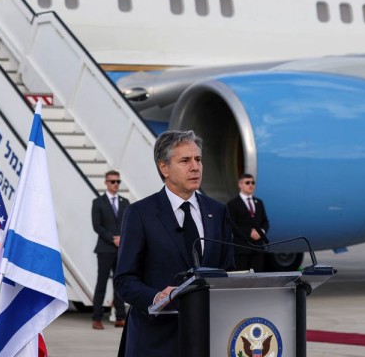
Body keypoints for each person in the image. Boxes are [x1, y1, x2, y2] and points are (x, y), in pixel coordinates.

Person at [114, 130, 234, 357]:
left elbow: (229, 271)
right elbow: (124, 280)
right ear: (164, 168)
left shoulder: (217, 212)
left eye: (198, 159)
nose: (195, 167)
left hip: (208, 338)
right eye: (185, 161)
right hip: (156, 340)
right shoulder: (141, 213)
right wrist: (156, 297)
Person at [91, 170, 129, 330]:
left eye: (117, 182)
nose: (115, 184)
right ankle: (97, 318)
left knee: (119, 282)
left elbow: (129, 223)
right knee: (101, 283)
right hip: (105, 249)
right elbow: (97, 226)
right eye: (112, 181)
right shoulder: (98, 202)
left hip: (121, 249)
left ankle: (120, 317)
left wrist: (122, 237)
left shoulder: (125, 202)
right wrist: (112, 238)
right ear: (106, 183)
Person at [227, 173, 270, 272]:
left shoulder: (259, 202)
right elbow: (232, 225)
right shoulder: (232, 204)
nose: (251, 185)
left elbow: (265, 221)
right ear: (240, 184)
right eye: (247, 182)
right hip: (242, 249)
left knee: (258, 277)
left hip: (258, 249)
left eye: (253, 183)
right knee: (242, 278)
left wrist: (261, 232)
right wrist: (249, 233)